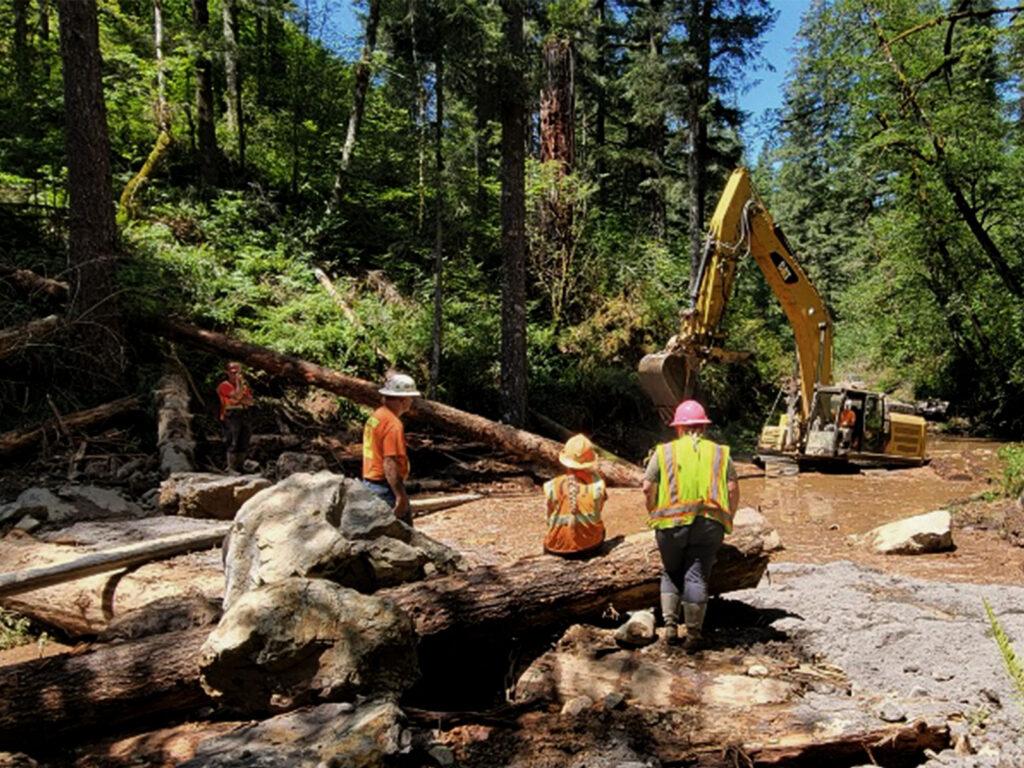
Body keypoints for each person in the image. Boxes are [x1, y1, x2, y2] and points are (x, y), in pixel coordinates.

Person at [643, 399, 739, 651]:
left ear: (678, 428)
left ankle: (671, 629)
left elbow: (647, 487)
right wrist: (728, 516)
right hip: (710, 524)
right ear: (704, 428)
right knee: (696, 574)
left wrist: (653, 512)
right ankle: (694, 635)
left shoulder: (663, 452)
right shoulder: (720, 453)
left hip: (669, 525)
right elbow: (732, 488)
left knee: (671, 572)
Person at [362, 373, 420, 525]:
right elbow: (389, 462)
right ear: (402, 400)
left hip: (370, 484)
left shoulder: (376, 416)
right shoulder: (393, 424)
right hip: (384, 489)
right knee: (404, 539)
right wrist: (400, 496)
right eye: (410, 398)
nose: (411, 402)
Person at [542, 434, 607, 557]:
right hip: (590, 547)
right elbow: (598, 511)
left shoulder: (551, 485)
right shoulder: (598, 483)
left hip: (556, 548)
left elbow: (549, 519)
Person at [217, 361, 255, 473]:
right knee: (232, 441)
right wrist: (239, 389)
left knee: (244, 440)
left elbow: (250, 402)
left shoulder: (244, 386)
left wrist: (238, 398)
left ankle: (240, 466)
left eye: (238, 372)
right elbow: (237, 396)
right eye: (233, 372)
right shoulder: (224, 385)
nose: (236, 375)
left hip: (244, 414)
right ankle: (231, 467)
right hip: (231, 415)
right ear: (228, 372)